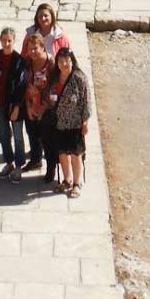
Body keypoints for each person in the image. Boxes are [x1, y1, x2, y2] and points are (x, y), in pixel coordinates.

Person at [48, 46, 91, 198]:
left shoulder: (80, 78)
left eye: (67, 61)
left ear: (72, 61)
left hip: (75, 124)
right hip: (59, 123)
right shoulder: (54, 78)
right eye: (60, 61)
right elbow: (50, 96)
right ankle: (67, 179)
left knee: (75, 154)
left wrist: (85, 122)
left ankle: (77, 183)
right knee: (62, 154)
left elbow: (86, 102)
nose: (64, 64)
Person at [17, 31, 55, 179]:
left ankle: (51, 168)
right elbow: (24, 84)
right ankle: (35, 160)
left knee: (47, 139)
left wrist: (44, 106)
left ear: (42, 47)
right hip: (31, 105)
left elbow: (55, 88)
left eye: (35, 48)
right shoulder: (27, 62)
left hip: (47, 107)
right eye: (29, 48)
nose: (32, 51)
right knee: (32, 135)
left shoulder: (51, 63)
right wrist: (28, 105)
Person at [0, 26, 26, 176]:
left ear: (14, 41)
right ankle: (9, 162)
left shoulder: (19, 60)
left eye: (9, 41)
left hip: (14, 104)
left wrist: (17, 107)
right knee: (4, 135)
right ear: (0, 40)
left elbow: (21, 85)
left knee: (18, 136)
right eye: (4, 40)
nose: (7, 44)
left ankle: (19, 166)